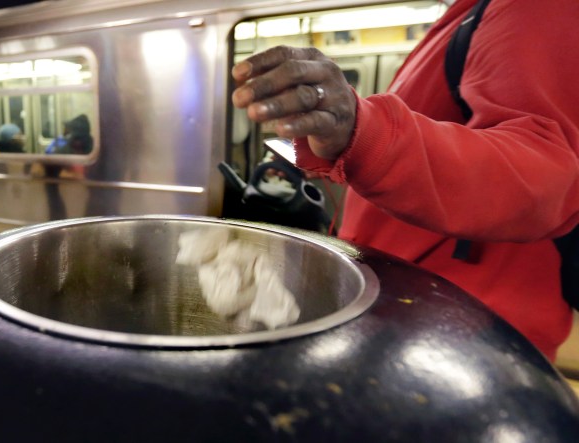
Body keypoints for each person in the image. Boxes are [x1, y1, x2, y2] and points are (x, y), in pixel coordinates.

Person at [231, 0, 579, 361]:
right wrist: (334, 143)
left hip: (467, 336)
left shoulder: (535, 7)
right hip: (418, 317)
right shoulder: (465, 16)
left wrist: (362, 132)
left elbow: (543, 175)